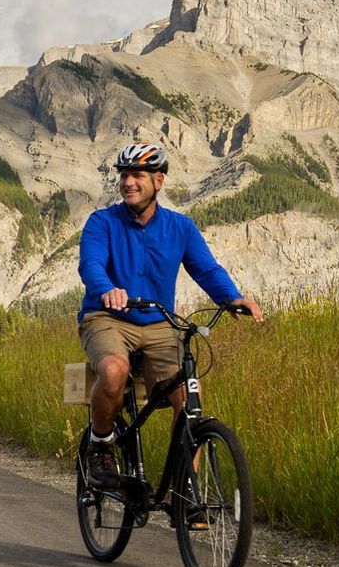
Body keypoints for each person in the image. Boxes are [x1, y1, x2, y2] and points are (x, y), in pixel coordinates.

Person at [78, 141, 263, 491]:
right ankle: (100, 447)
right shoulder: (101, 223)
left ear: (159, 181)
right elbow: (91, 264)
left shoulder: (180, 227)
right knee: (114, 370)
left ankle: (185, 486)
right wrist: (107, 288)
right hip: (107, 317)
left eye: (138, 176)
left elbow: (206, 269)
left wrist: (233, 297)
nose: (128, 182)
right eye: (124, 175)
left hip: (159, 322)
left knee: (188, 395)